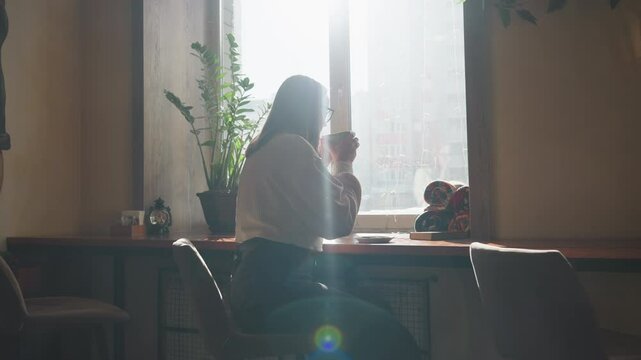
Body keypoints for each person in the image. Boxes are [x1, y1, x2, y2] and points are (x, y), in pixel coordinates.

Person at [231, 75, 422, 359]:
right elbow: (339, 220)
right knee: (383, 330)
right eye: (325, 110)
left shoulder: (263, 150)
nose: (325, 119)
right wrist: (343, 161)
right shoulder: (292, 147)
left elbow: (302, 197)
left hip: (255, 291)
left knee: (371, 312)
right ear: (310, 110)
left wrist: (323, 156)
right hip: (278, 294)